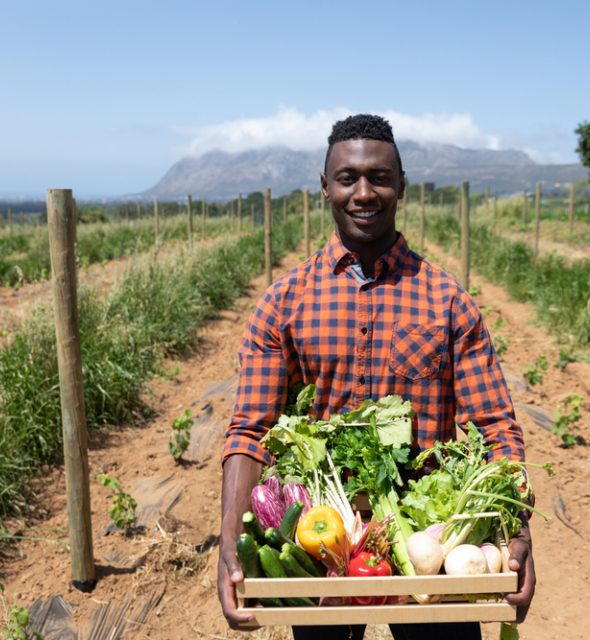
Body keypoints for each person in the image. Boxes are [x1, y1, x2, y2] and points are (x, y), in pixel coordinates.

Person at [217, 114, 535, 640]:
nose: (364, 193)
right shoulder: (283, 303)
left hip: (433, 542)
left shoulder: (448, 301)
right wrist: (229, 540)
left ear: (402, 186)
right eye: (347, 178)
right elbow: (250, 431)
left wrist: (518, 533)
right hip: (321, 543)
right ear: (325, 188)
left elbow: (496, 427)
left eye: (380, 178)